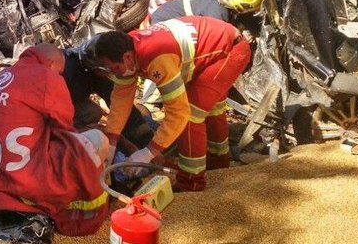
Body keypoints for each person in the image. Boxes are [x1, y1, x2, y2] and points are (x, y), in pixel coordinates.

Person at [86, 16, 252, 192]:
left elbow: (179, 113)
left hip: (230, 51)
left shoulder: (156, 58)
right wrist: (111, 141)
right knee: (211, 109)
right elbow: (120, 101)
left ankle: (191, 183)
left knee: (191, 115)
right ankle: (218, 162)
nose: (112, 74)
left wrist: (148, 152)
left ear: (127, 57)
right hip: (215, 48)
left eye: (113, 69)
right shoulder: (127, 50)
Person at [0, 44, 109, 236]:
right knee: (96, 139)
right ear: (52, 63)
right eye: (60, 72)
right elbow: (64, 127)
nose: (60, 76)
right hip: (29, 180)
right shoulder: (46, 76)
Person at [62, 46, 154, 150]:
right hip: (53, 113)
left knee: (93, 112)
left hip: (71, 99)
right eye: (110, 71)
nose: (110, 75)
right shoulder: (66, 74)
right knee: (91, 121)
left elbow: (118, 103)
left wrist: (144, 138)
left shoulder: (94, 64)